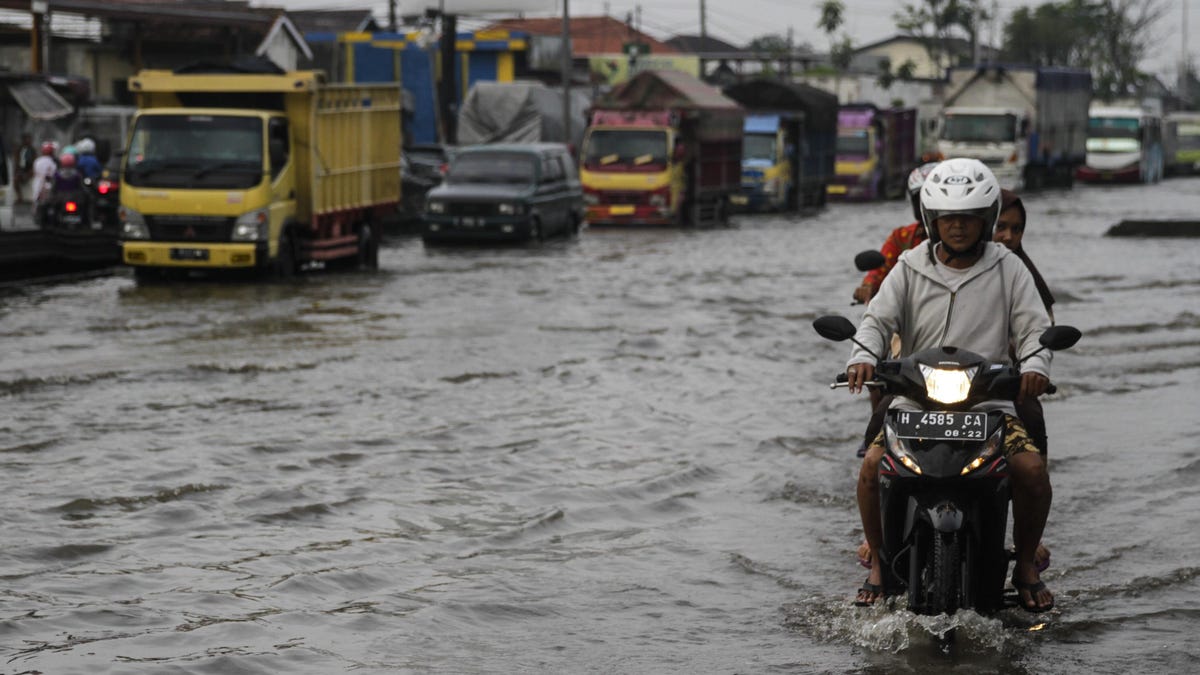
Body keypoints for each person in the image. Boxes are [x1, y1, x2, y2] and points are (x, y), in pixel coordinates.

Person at [846, 158, 1056, 613]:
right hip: (915, 403)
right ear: (931, 220)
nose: (957, 227)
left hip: (988, 405)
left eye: (968, 218)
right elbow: (876, 321)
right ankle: (878, 562)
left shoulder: (1009, 268)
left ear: (986, 219)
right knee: (872, 466)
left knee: (1032, 472)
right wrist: (862, 357)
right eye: (948, 218)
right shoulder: (909, 265)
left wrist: (1036, 364)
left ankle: (1024, 565)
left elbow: (1035, 330)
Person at [13, 134, 36, 204]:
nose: (28, 141)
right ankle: (20, 197)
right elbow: (16, 161)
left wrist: (31, 170)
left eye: (29, 139)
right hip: (21, 170)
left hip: (29, 170)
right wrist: (17, 171)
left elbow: (35, 161)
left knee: (27, 176)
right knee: (16, 180)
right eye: (26, 139)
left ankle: (30, 198)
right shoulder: (19, 149)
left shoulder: (32, 150)